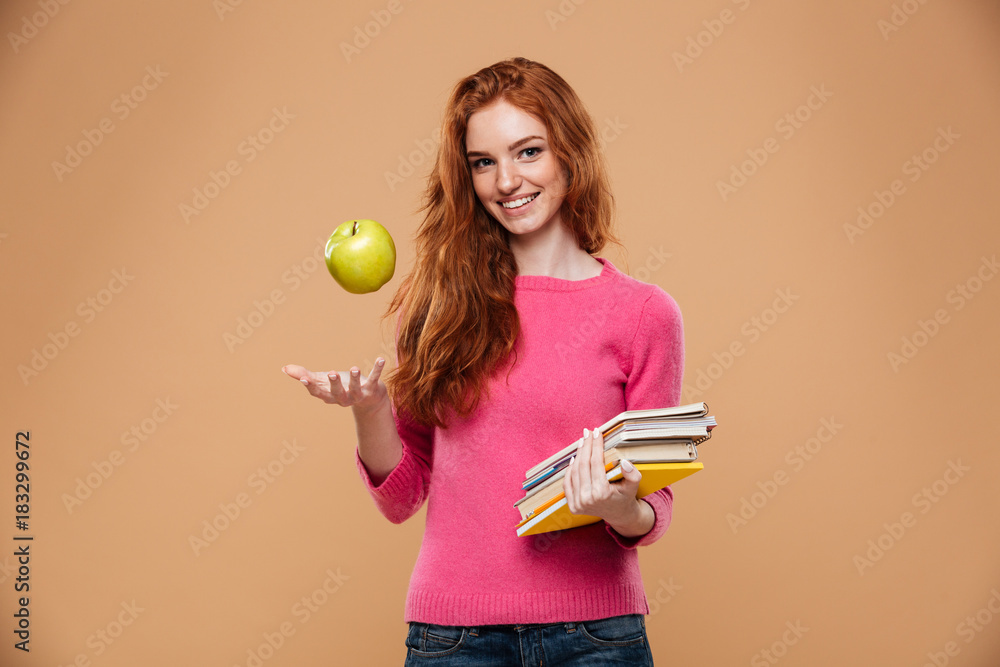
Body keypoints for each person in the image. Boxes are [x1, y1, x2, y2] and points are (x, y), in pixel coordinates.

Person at [282, 57, 684, 666]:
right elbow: (402, 496)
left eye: (528, 152)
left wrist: (617, 505)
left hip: (597, 637)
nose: (506, 182)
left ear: (569, 154)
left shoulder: (644, 315)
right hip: (454, 640)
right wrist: (371, 409)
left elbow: (652, 511)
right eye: (483, 162)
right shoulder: (436, 306)